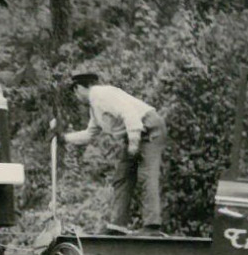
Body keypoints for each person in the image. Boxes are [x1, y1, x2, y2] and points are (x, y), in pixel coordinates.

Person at [59, 72, 168, 235]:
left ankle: (152, 226)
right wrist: (64, 138)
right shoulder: (95, 106)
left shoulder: (102, 95)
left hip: (149, 128)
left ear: (79, 88)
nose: (76, 97)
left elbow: (128, 112)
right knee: (122, 177)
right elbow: (90, 134)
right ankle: (118, 225)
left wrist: (133, 142)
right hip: (135, 133)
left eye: (74, 92)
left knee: (147, 175)